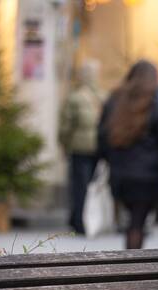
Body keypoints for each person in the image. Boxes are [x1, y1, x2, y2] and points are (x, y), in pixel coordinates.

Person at [98, 60, 158, 249]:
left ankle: (131, 263)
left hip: (121, 174)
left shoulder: (115, 101)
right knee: (137, 223)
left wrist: (109, 160)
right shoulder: (157, 103)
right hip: (148, 176)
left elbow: (102, 137)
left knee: (133, 221)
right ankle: (132, 266)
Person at [59, 60, 105, 235]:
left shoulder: (75, 97)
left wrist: (63, 144)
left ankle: (78, 221)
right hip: (98, 150)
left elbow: (66, 126)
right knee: (94, 186)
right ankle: (88, 220)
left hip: (79, 149)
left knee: (79, 186)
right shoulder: (102, 96)